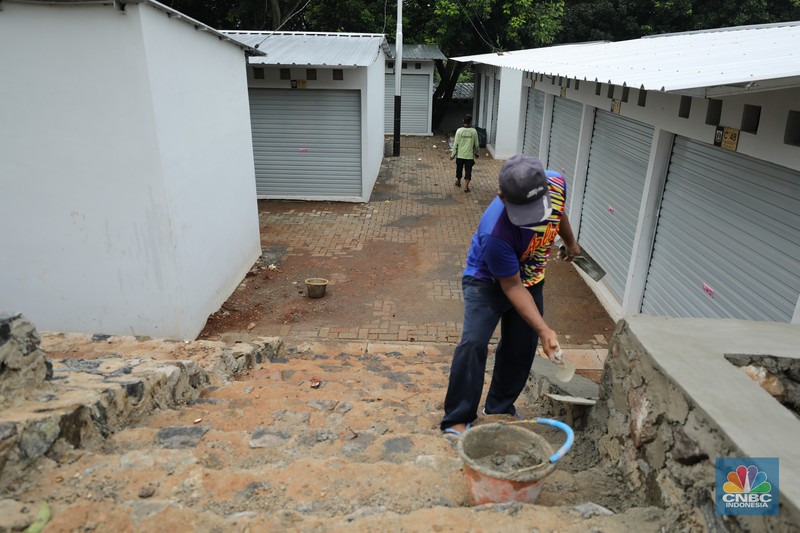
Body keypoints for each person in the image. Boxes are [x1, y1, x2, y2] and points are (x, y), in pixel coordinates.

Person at [440, 154, 581, 436]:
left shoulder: (555, 183)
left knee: (521, 345)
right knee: (473, 343)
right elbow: (512, 287)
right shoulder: (495, 232)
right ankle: (457, 416)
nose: (535, 218)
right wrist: (545, 329)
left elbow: (559, 213)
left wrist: (570, 242)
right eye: (524, 212)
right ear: (502, 198)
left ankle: (500, 407)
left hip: (531, 277)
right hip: (489, 281)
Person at [450, 114, 480, 193]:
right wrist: (477, 153)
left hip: (460, 154)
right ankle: (466, 187)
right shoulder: (474, 131)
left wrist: (452, 155)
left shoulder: (459, 131)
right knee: (468, 170)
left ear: (463, 121)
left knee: (459, 169)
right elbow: (476, 144)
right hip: (469, 155)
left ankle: (458, 182)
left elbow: (455, 144)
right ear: (470, 122)